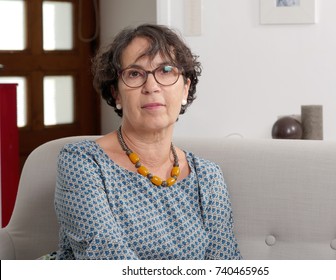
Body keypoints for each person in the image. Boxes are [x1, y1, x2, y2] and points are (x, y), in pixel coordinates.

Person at [54, 24, 242, 260]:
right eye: (134, 74)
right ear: (116, 94)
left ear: (185, 88)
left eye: (165, 70)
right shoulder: (82, 162)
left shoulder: (207, 177)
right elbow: (105, 259)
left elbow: (225, 265)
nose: (151, 87)